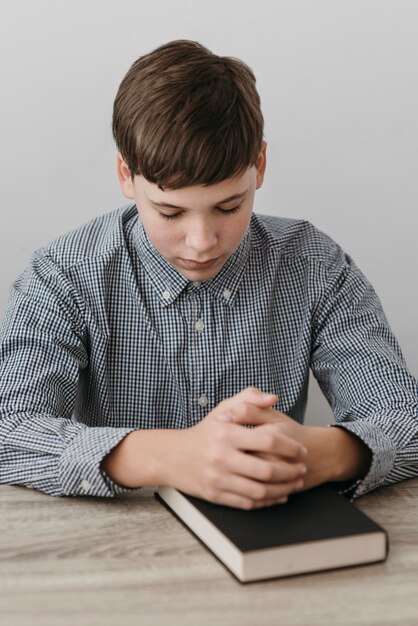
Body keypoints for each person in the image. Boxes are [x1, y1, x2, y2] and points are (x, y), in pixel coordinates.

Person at [0, 40, 417, 510]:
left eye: (228, 206)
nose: (201, 241)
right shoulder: (65, 275)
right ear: (126, 175)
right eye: (170, 212)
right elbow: (9, 429)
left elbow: (406, 418)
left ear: (259, 166)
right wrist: (168, 456)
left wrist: (317, 453)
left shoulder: (314, 266)